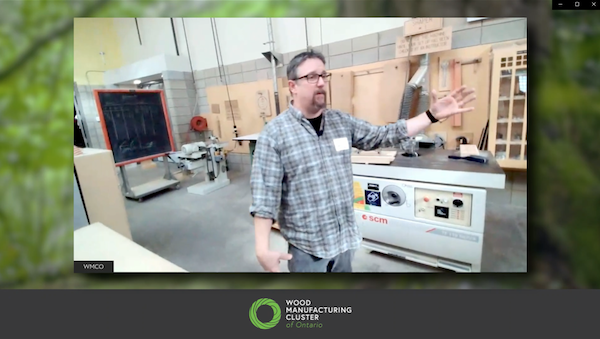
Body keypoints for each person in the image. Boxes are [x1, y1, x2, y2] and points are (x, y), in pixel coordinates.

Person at [249, 50, 476, 273]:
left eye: (323, 75)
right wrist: (262, 248)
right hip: (306, 249)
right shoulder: (275, 134)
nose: (320, 83)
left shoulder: (340, 122)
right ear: (292, 86)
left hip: (343, 242)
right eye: (311, 77)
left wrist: (431, 115)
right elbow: (264, 195)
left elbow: (383, 134)